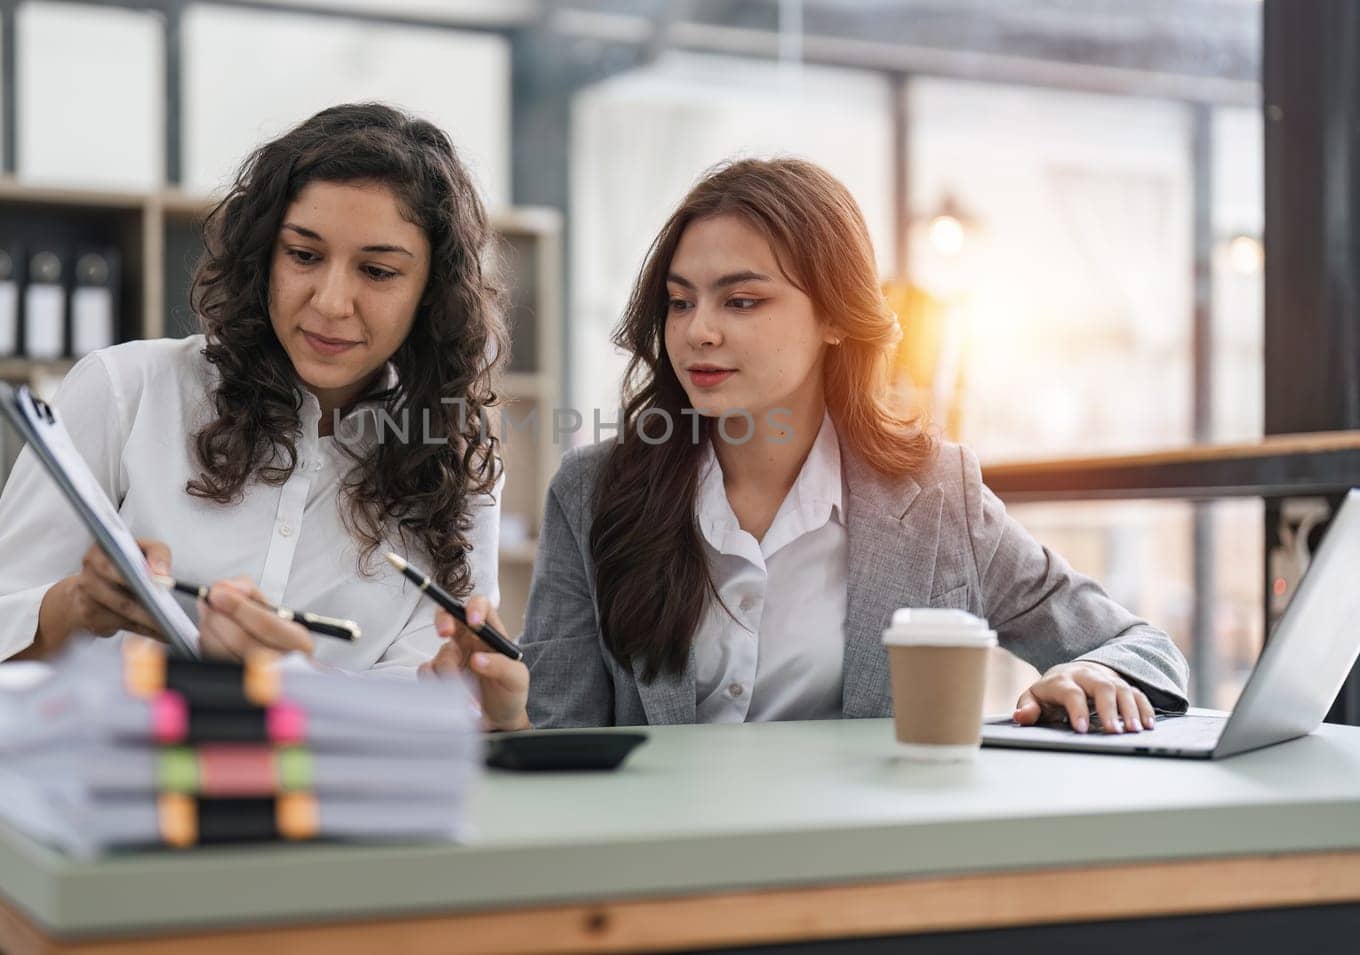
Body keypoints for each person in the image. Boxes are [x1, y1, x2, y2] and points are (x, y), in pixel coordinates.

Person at [428, 157, 1189, 734]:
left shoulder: (933, 496)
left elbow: (1139, 644)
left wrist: (1090, 671)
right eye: (681, 301)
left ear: (834, 316)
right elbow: (562, 741)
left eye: (743, 299)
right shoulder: (594, 492)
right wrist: (504, 709)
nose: (700, 330)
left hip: (855, 885)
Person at [0, 103, 506, 703]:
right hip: (109, 786)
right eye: (303, 256)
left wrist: (292, 685)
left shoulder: (453, 460)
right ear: (263, 256)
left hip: (326, 797)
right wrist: (75, 608)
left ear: (431, 292)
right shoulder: (127, 391)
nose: (333, 302)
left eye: (379, 271)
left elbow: (433, 706)